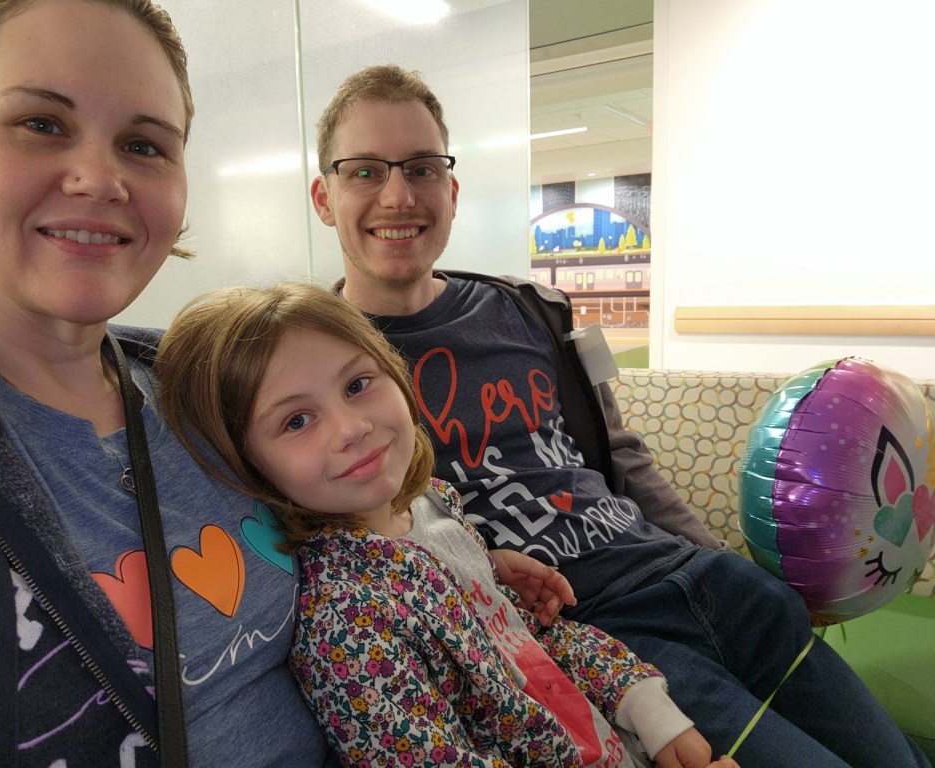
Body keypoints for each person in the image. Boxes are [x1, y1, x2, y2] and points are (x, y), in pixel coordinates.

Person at [307, 64, 934, 768]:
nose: (398, 195)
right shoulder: (318, 373)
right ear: (324, 198)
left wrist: (720, 557)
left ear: (451, 192)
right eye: (365, 171)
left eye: (422, 168)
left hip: (712, 585)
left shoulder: (532, 310)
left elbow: (622, 455)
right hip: (606, 639)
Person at [0, 1, 335, 765]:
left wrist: (445, 555)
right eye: (41, 123)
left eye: (143, 145)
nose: (101, 179)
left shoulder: (202, 386)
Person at [155, 280, 741, 768]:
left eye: (358, 385)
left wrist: (649, 711)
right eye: (296, 421)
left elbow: (530, 645)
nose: (351, 428)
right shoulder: (347, 621)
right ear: (244, 462)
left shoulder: (435, 505)